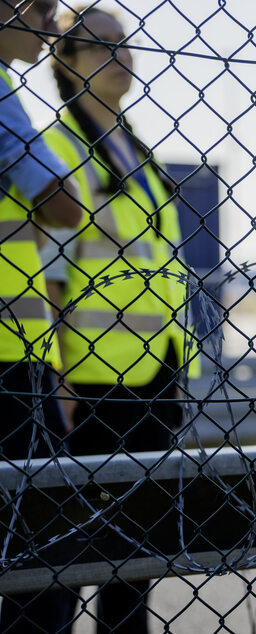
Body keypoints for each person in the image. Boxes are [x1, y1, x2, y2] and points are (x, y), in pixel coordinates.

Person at [42, 6, 197, 632]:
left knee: (135, 559)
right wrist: (56, 378)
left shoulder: (138, 152)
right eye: (101, 45)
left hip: (154, 375)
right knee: (60, 560)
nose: (121, 55)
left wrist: (177, 365)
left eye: (125, 43)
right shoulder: (56, 147)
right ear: (67, 61)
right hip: (89, 383)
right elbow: (48, 274)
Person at [0, 0, 83, 632]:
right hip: (10, 365)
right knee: (47, 561)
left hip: (28, 356)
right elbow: (62, 203)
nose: (54, 25)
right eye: (46, 7)